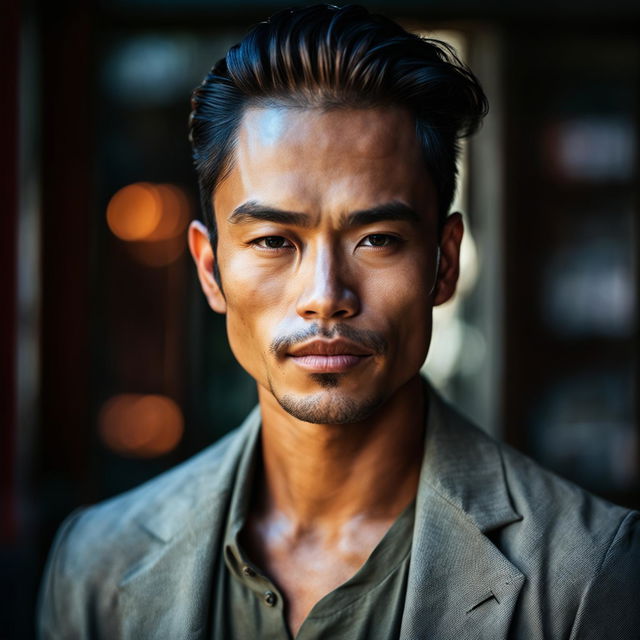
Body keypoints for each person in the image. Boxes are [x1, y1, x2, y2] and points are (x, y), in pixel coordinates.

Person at [38, 5, 639, 639]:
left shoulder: (586, 572)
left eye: (377, 238)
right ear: (210, 270)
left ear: (444, 262)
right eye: (273, 241)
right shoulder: (97, 563)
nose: (326, 297)